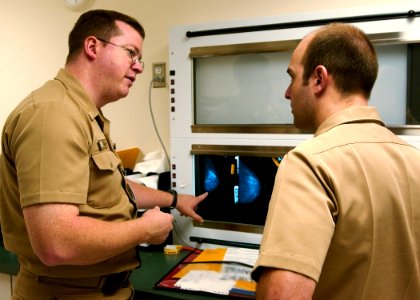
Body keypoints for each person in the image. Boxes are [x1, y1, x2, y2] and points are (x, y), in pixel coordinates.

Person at [0, 9, 207, 299]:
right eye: (131, 53)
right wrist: (143, 230)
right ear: (93, 46)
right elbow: (54, 243)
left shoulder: (81, 114)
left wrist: (174, 200)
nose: (138, 67)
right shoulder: (53, 114)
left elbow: (112, 188)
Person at [251, 23, 420, 299]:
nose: (287, 93)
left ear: (319, 79)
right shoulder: (415, 160)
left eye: (292, 77)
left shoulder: (310, 164)